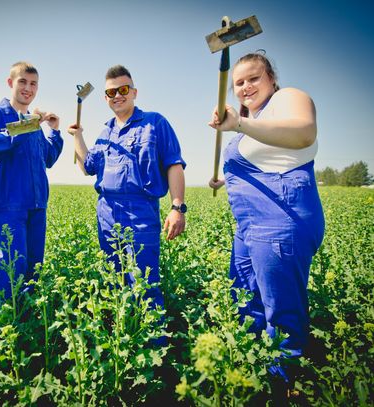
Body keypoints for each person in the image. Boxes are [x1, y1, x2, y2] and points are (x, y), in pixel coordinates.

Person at [208, 51, 325, 380]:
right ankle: (252, 375)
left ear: (272, 78)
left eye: (253, 78)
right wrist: (225, 178)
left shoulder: (288, 98)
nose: (245, 87)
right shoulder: (253, 123)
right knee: (245, 301)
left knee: (282, 313)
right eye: (239, 83)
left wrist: (239, 123)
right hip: (250, 227)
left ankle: (285, 384)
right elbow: (263, 164)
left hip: (279, 221)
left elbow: (303, 133)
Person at [67, 64, 186, 312]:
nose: (117, 96)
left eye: (123, 89)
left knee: (144, 282)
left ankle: (152, 344)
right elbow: (87, 167)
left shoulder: (155, 123)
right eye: (111, 92)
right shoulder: (105, 131)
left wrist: (177, 207)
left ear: (134, 92)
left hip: (140, 212)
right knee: (114, 280)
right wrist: (77, 137)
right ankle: (124, 337)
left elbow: (173, 164)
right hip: (107, 213)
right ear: (105, 98)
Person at [0, 61, 63, 299]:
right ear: (10, 83)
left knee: (34, 266)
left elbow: (48, 157)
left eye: (33, 84)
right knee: (12, 266)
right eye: (22, 81)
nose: (28, 88)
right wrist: (30, 123)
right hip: (9, 203)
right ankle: (6, 322)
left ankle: (28, 320)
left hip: (36, 203)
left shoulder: (33, 123)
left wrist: (53, 131)